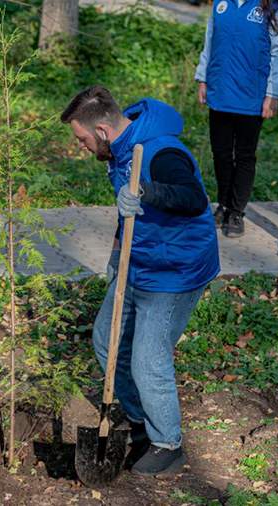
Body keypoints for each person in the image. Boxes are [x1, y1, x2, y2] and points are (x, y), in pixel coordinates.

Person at [61, 86, 220, 477]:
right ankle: (139, 421)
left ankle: (168, 444)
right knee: (106, 342)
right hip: (138, 262)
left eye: (81, 139)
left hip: (175, 271)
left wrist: (145, 191)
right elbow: (126, 210)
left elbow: (193, 198)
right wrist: (116, 259)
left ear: (101, 129)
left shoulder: (162, 151)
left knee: (148, 361)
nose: (81, 147)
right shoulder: (118, 152)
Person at [195, 0, 278, 237]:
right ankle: (223, 204)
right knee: (220, 153)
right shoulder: (221, 4)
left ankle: (237, 212)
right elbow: (209, 42)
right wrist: (202, 78)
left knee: (244, 155)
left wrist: (273, 93)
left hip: (252, 94)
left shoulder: (273, 9)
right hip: (220, 89)